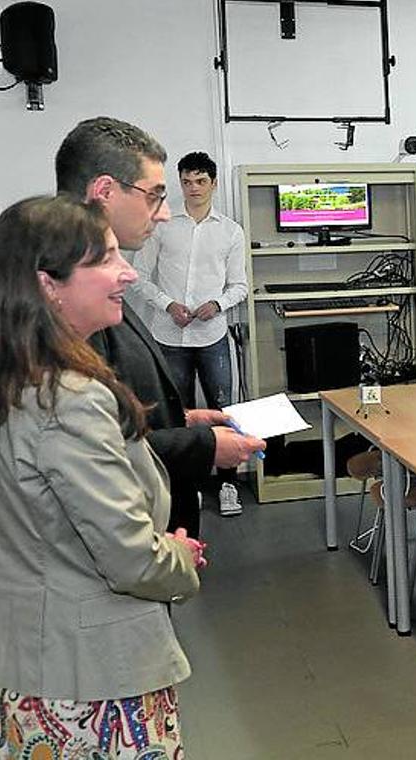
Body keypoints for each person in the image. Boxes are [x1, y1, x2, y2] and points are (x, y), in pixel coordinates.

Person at [0, 195, 204, 757]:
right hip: (94, 682)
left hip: (40, 661)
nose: (128, 272)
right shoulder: (69, 400)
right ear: (49, 284)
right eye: (106, 259)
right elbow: (130, 557)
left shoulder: (20, 381)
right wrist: (180, 558)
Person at [55, 117, 264, 535]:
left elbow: (117, 416)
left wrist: (182, 421)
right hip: (120, 542)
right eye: (155, 196)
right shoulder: (73, 304)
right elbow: (93, 450)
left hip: (211, 334)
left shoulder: (228, 232)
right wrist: (203, 445)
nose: (165, 212)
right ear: (105, 192)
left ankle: (220, 488)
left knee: (210, 405)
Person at [131, 151, 249, 516]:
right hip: (168, 337)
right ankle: (184, 488)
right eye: (186, 182)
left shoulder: (230, 231)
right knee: (173, 415)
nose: (193, 188)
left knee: (222, 409)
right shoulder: (162, 225)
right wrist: (168, 304)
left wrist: (217, 304)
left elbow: (240, 285)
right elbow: (139, 277)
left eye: (200, 181)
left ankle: (227, 482)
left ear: (213, 184)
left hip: (212, 336)